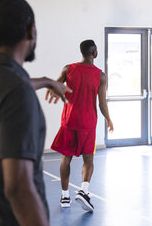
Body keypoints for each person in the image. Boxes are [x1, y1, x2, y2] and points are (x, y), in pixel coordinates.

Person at [0, 0, 70, 226]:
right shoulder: (17, 93)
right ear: (31, 31)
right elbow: (19, 189)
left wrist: (47, 81)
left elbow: (6, 83)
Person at [47, 40, 114, 212]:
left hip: (69, 120)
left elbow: (55, 85)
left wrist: (54, 88)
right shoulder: (101, 75)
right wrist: (108, 119)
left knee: (66, 158)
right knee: (89, 159)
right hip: (88, 122)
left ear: (82, 52)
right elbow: (102, 103)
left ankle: (65, 196)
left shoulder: (68, 68)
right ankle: (83, 192)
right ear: (95, 52)